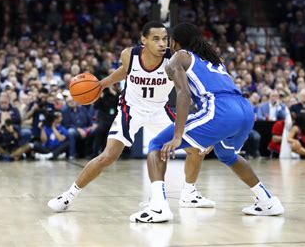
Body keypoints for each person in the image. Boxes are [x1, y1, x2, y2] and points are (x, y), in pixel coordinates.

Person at [48, 21, 214, 213]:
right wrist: (102, 84)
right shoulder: (129, 55)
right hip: (131, 109)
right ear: (144, 40)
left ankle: (189, 194)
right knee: (108, 156)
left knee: (198, 149)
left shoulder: (174, 60)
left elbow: (189, 90)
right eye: (156, 39)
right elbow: (125, 71)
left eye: (165, 39)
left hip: (160, 110)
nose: (162, 43)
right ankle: (68, 196)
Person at [130, 23, 284, 223]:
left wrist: (178, 136)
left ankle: (158, 208)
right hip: (245, 110)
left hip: (220, 110)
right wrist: (214, 133)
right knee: (227, 154)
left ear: (174, 42)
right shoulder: (214, 60)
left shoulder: (179, 57)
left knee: (156, 145)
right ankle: (267, 201)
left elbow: (183, 95)